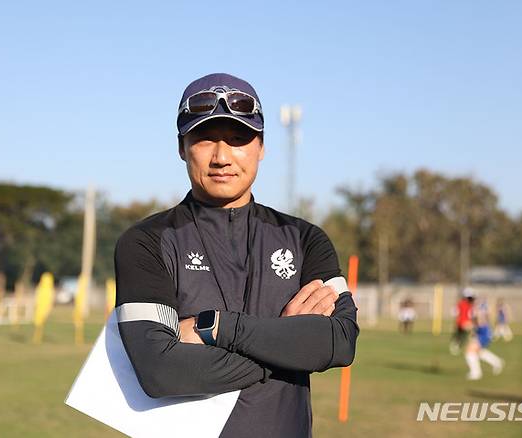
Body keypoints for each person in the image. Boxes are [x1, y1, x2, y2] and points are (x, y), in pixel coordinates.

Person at [113, 73, 359, 438]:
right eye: (204, 138)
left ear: (261, 147)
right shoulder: (147, 241)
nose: (222, 156)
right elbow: (160, 371)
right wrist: (287, 343)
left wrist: (217, 328)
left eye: (239, 138)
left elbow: (338, 342)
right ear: (182, 147)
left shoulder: (306, 239)